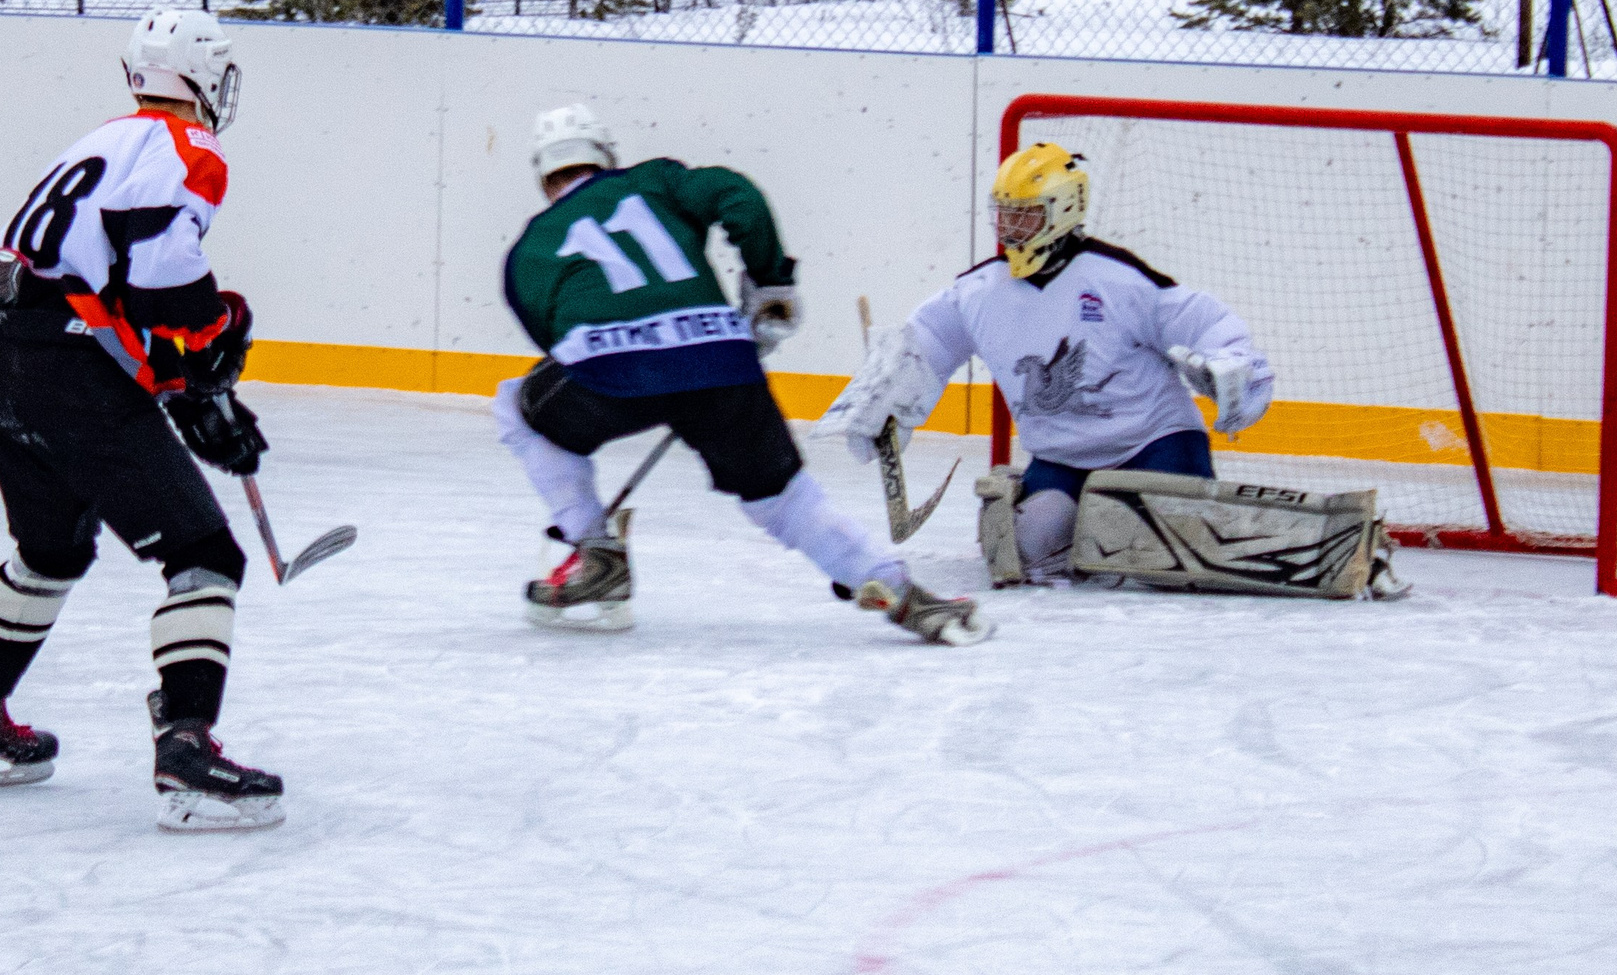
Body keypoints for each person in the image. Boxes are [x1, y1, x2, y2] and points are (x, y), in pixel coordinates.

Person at [0, 7, 284, 833]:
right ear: (204, 78)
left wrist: (187, 381)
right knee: (204, 553)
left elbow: (91, 285)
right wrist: (206, 361)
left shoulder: (95, 143)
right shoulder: (190, 149)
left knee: (51, 549)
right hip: (69, 379)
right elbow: (164, 279)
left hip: (6, 367)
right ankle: (188, 753)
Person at [494, 104, 988, 645]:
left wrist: (643, 374)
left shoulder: (529, 249)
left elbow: (554, 343)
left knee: (517, 404)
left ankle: (594, 548)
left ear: (545, 181)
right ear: (608, 158)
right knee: (784, 497)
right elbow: (737, 195)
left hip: (611, 370)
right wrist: (769, 284)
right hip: (721, 361)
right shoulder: (654, 181)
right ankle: (889, 583)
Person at [818, 142, 1396, 599]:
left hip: (1154, 445)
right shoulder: (977, 292)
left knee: (1177, 559)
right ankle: (1073, 519)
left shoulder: (1115, 278)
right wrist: (883, 401)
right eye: (1005, 217)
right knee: (1022, 555)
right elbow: (926, 341)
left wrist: (1230, 369)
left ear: (1063, 212)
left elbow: (1205, 320)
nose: (1009, 230)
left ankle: (1354, 547)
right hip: (1062, 458)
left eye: (1024, 217)